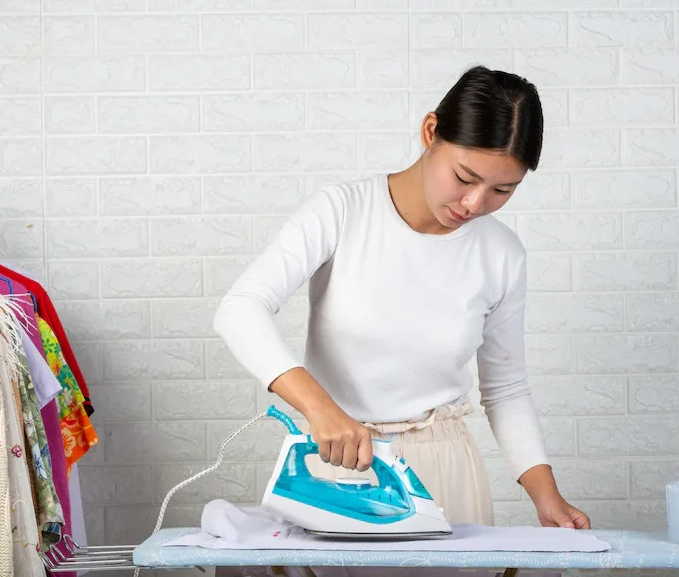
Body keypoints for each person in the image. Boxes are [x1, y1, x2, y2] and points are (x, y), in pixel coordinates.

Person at [213, 65, 591, 532]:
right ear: (431, 132)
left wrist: (547, 496)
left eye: (502, 190)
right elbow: (241, 308)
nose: (474, 204)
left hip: (447, 469)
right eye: (465, 177)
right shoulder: (342, 212)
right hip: (339, 457)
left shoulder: (502, 255)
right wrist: (319, 408)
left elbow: (505, 388)